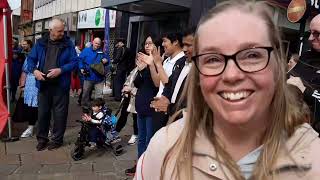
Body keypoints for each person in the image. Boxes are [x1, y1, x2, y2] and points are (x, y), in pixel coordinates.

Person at [135, 1, 320, 180]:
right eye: (213, 59)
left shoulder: (313, 158)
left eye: (252, 55)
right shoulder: (164, 149)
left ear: (278, 66)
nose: (232, 75)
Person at [27, 18, 78, 151]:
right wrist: (35, 71)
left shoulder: (68, 44)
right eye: (59, 31)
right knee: (43, 114)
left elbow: (74, 62)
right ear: (51, 31)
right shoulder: (40, 43)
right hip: (43, 84)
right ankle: (42, 139)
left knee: (60, 115)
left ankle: (57, 140)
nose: (62, 33)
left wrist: (60, 70)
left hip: (60, 86)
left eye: (63, 30)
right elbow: (31, 59)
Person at [125, 36, 159, 176]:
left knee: (149, 140)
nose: (147, 45)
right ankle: (140, 164)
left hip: (152, 107)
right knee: (141, 139)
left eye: (150, 43)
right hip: (140, 105)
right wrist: (139, 69)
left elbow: (157, 85)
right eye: (146, 43)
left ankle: (147, 168)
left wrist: (150, 66)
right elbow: (137, 84)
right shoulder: (142, 63)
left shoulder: (158, 63)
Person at [140, 32, 185, 133]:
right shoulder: (166, 60)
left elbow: (169, 85)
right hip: (159, 106)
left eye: (165, 41)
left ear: (176, 42)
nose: (163, 44)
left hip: (169, 109)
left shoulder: (182, 62)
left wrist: (158, 64)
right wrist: (152, 65)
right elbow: (158, 83)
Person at [150, 28, 195, 126]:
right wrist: (165, 98)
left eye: (188, 45)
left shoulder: (202, 71)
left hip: (183, 119)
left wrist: (157, 64)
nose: (185, 49)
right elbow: (168, 84)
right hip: (170, 114)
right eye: (184, 45)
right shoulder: (181, 63)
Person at [287, 14, 320, 132]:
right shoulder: (306, 56)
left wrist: (306, 91)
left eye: (317, 33)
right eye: (310, 32)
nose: (311, 38)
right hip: (289, 126)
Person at [79, 37, 109, 108]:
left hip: (99, 78)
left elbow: (108, 61)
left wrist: (106, 61)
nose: (97, 45)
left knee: (99, 95)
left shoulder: (102, 52)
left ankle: (98, 108)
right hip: (88, 76)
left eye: (99, 44)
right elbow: (80, 60)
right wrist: (81, 68)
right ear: (92, 42)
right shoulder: (86, 50)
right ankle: (85, 107)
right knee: (85, 93)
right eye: (96, 43)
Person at [114, 66, 139, 145]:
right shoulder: (135, 69)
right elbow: (128, 79)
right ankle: (116, 132)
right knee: (123, 115)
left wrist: (131, 90)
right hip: (128, 97)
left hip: (136, 98)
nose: (138, 60)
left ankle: (136, 134)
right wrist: (125, 87)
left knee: (135, 117)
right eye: (137, 58)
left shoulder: (145, 70)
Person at [18, 40, 37, 138]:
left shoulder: (48, 57)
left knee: (44, 108)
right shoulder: (30, 57)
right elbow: (24, 72)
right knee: (31, 108)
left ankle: (47, 128)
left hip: (44, 85)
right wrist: (22, 85)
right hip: (30, 85)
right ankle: (30, 128)